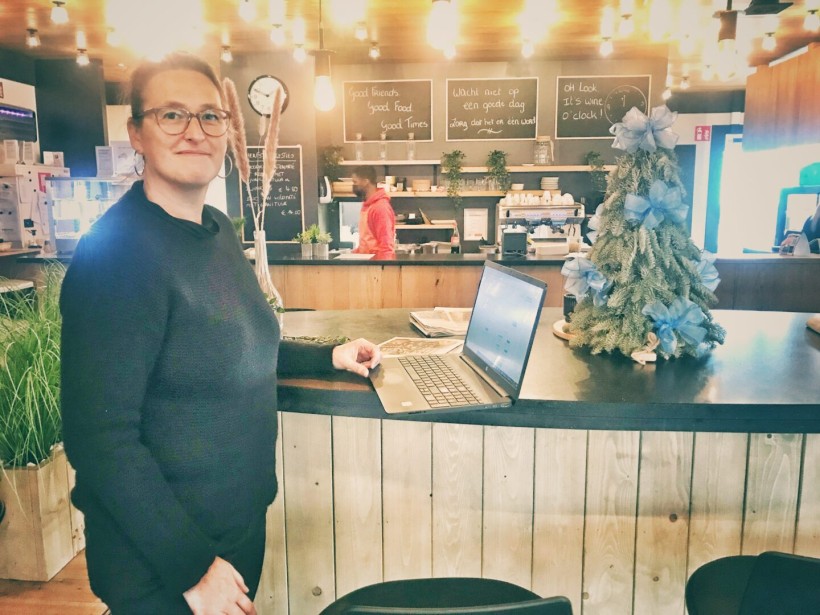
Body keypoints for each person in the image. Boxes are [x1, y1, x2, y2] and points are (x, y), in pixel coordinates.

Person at [59, 53, 381, 615]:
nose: (195, 132)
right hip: (163, 561)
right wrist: (192, 568)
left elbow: (244, 341)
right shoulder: (117, 255)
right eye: (172, 116)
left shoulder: (216, 233)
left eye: (211, 117)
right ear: (136, 132)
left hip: (231, 530)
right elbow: (100, 441)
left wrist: (328, 355)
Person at [350, 165, 396, 259]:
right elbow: (368, 242)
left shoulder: (380, 208)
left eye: (355, 182)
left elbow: (386, 247)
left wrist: (383, 270)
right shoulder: (368, 206)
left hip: (376, 267)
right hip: (369, 266)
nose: (353, 186)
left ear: (366, 182)